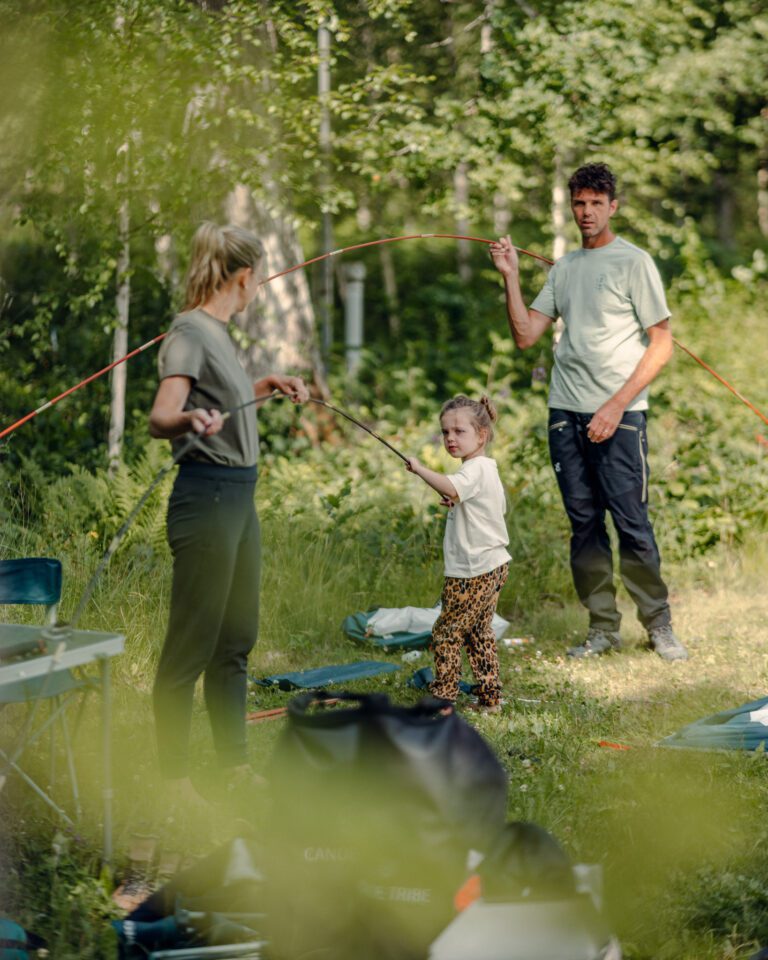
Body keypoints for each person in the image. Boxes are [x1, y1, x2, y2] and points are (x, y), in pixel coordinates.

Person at [490, 162, 687, 661]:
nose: (586, 211)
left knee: (631, 523)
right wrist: (511, 277)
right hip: (565, 414)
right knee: (584, 525)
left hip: (620, 416)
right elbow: (525, 335)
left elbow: (662, 343)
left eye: (596, 203)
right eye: (579, 203)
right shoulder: (566, 269)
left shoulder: (633, 262)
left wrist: (617, 405)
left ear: (612, 207)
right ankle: (602, 628)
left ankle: (659, 626)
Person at [148, 221, 309, 803]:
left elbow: (224, 400)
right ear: (244, 277)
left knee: (235, 639)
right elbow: (161, 414)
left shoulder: (218, 332)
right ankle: (172, 783)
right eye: (259, 276)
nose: (260, 285)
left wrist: (264, 384)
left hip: (240, 497)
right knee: (190, 646)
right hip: (207, 498)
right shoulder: (189, 332)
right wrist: (189, 420)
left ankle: (232, 766)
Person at [406, 395, 511, 711]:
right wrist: (457, 499)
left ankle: (443, 698)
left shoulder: (474, 470)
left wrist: (420, 469)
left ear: (481, 435)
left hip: (472, 570)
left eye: (459, 431)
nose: (450, 438)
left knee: (447, 633)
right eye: (445, 432)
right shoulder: (485, 469)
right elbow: (469, 498)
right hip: (493, 565)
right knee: (479, 632)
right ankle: (490, 698)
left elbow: (452, 487)